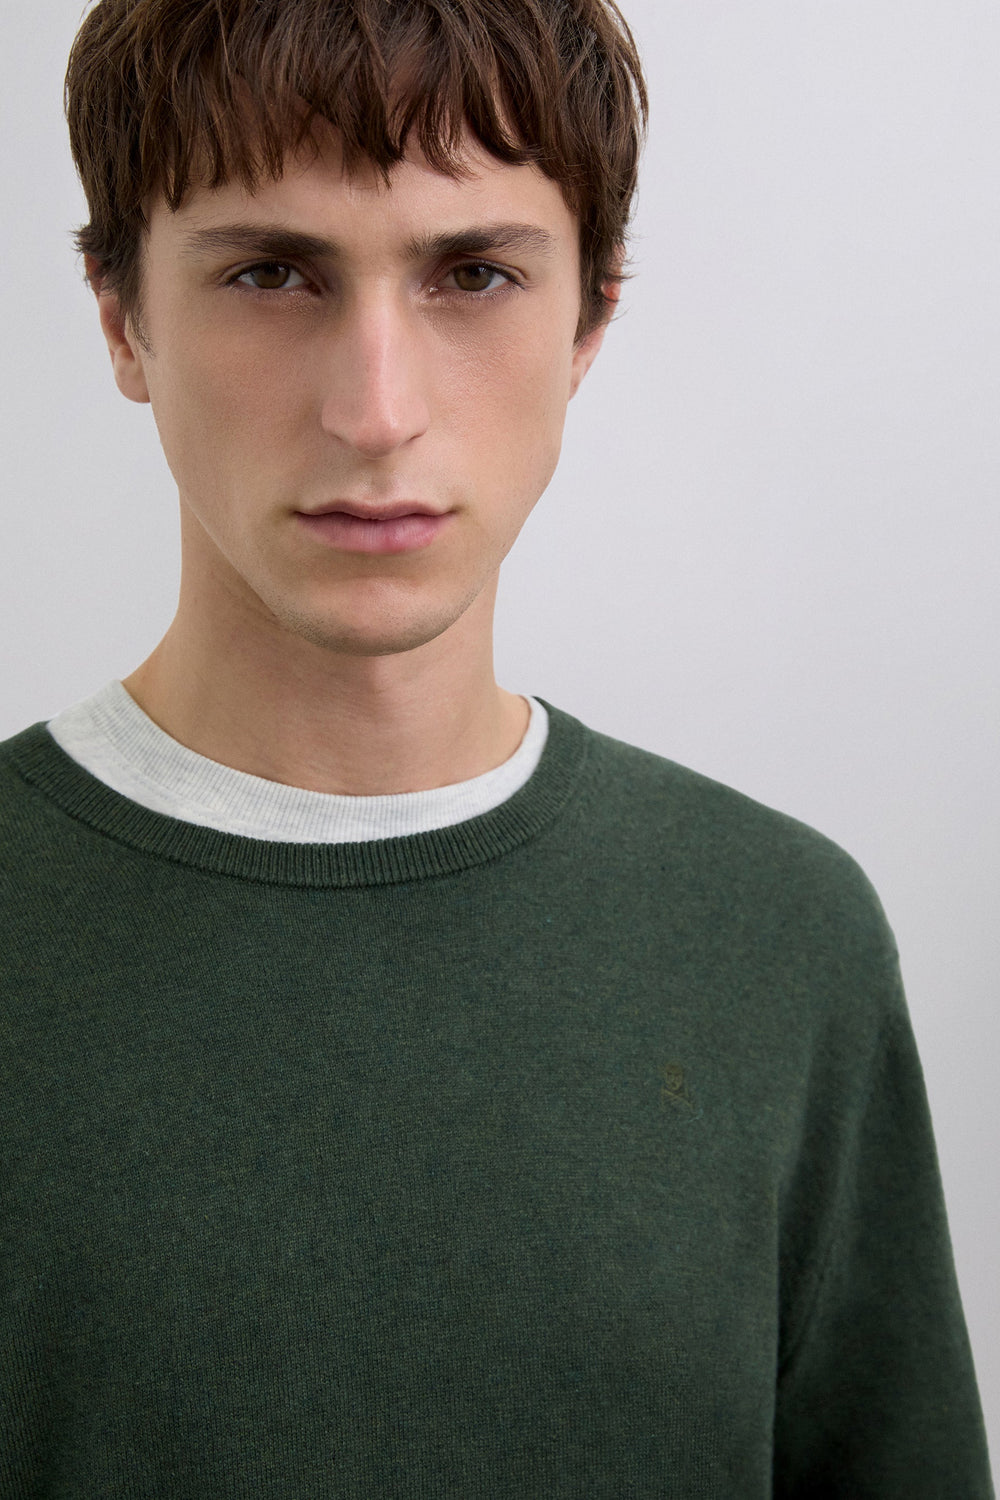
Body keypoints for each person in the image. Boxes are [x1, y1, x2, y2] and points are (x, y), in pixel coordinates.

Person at [0, 0, 993, 1493]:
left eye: (473, 274)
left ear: (590, 318)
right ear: (120, 316)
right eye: (271, 273)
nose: (376, 411)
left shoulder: (780, 938)